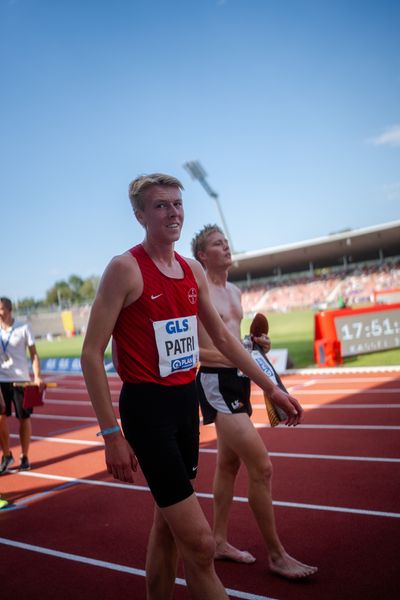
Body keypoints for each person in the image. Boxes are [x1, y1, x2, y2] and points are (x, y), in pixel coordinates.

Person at [81, 173, 304, 600]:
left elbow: (221, 338)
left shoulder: (191, 270)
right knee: (200, 545)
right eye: (161, 205)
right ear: (140, 215)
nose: (173, 212)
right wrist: (112, 434)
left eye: (177, 204)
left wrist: (270, 388)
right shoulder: (125, 269)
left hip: (186, 409)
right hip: (147, 412)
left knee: (166, 528)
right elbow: (92, 354)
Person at [191, 224, 318, 579]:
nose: (226, 247)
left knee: (228, 466)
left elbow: (234, 340)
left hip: (239, 380)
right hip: (215, 382)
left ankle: (218, 540)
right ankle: (277, 556)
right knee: (261, 467)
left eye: (226, 242)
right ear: (203, 255)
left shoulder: (234, 291)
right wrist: (229, 355)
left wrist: (252, 345)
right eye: (218, 244)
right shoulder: (197, 292)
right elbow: (193, 348)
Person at [0, 297, 45, 474]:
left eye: (1, 309)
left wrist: (38, 376)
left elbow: (34, 354)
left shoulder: (24, 327)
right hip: (1, 380)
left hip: (21, 380)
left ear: (9, 310)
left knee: (23, 419)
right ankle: (6, 454)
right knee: (1, 418)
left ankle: (24, 455)